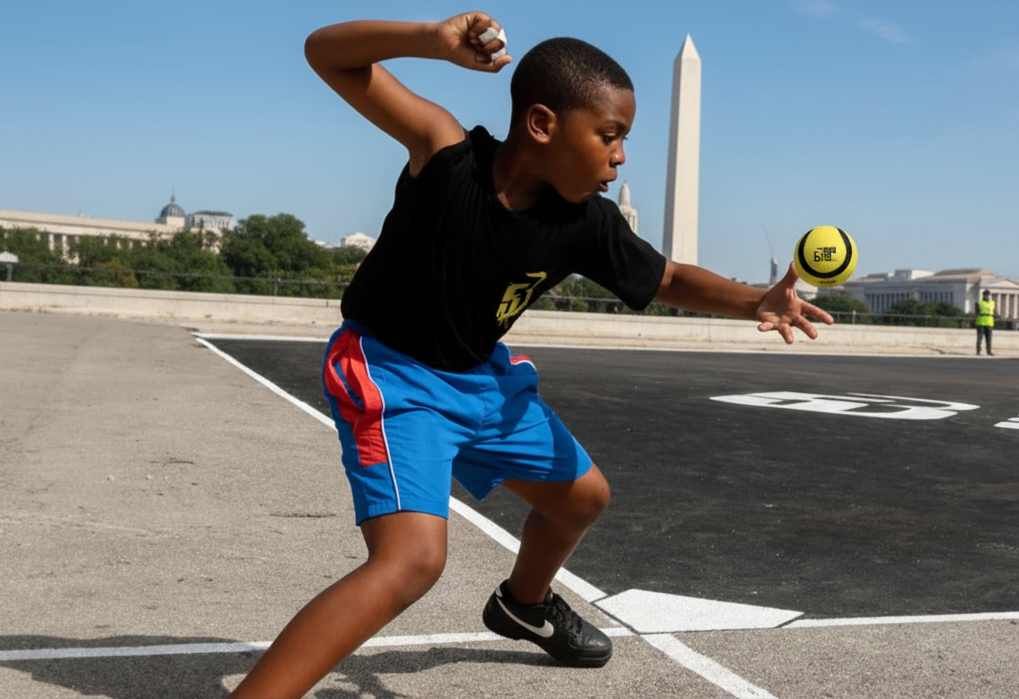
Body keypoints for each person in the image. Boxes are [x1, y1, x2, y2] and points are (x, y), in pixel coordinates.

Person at [227, 12, 834, 698]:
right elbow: (325, 54)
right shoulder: (445, 151)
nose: (620, 156)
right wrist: (429, 41)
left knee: (581, 498)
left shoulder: (584, 222)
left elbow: (664, 277)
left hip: (482, 381)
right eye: (609, 135)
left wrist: (756, 298)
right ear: (542, 124)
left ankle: (522, 603)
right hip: (394, 376)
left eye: (624, 139)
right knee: (412, 561)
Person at [975, 289, 995, 355]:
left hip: (989, 323)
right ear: (983, 295)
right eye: (985, 295)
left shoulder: (992, 303)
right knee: (979, 338)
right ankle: (978, 351)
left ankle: (988, 351)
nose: (986, 296)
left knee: (989, 339)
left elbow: (993, 311)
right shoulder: (979, 302)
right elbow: (976, 312)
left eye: (987, 295)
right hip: (981, 323)